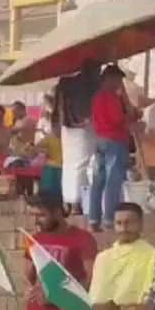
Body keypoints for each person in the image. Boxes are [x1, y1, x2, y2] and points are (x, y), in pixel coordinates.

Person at [88, 65, 136, 232]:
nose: (119, 83)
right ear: (110, 79)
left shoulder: (96, 97)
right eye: (118, 80)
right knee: (113, 181)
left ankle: (94, 218)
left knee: (98, 181)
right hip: (114, 140)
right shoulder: (111, 97)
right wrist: (128, 115)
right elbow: (117, 120)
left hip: (99, 140)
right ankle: (109, 218)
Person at [55, 60, 101, 214]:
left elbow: (58, 108)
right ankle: (76, 203)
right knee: (82, 165)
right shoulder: (89, 85)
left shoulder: (64, 82)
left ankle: (68, 202)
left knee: (70, 165)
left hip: (67, 128)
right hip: (83, 128)